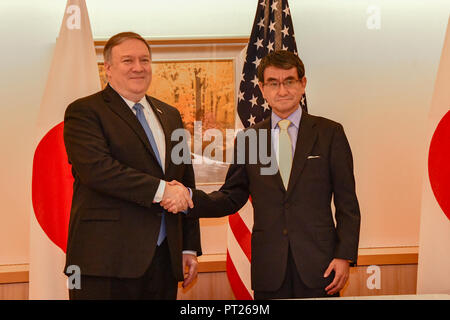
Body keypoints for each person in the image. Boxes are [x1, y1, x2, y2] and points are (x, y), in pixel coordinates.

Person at [164, 50, 360, 299]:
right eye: (273, 83)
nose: (282, 90)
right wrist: (189, 197)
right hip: (269, 268)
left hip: (321, 266)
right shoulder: (249, 139)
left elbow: (348, 204)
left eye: (289, 81)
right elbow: (231, 197)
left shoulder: (330, 133)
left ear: (303, 84)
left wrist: (344, 255)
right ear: (263, 89)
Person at [63, 32, 201, 300]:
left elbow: (186, 182)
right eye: (128, 60)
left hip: (164, 260)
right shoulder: (84, 112)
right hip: (106, 261)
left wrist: (189, 247)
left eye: (144, 60)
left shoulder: (170, 114)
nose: (138, 67)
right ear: (108, 69)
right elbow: (98, 170)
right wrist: (162, 191)